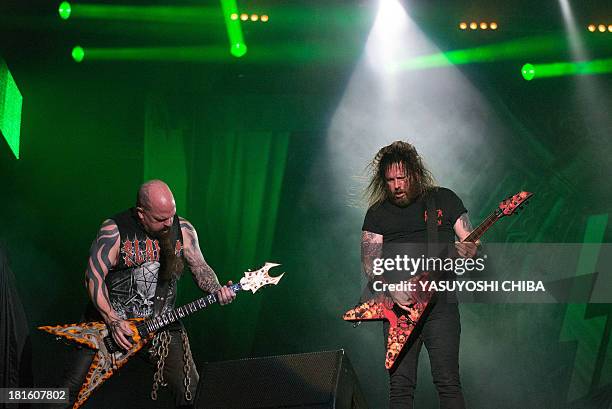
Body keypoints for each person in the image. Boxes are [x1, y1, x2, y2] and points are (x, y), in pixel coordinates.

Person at [60, 179, 235, 408]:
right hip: (110, 327)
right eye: (161, 219)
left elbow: (199, 266)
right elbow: (92, 277)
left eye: (171, 215)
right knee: (67, 391)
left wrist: (216, 289)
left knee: (191, 392)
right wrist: (113, 320)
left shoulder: (183, 229)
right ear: (141, 213)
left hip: (161, 324)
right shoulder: (114, 230)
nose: (168, 223)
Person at [360, 141, 477, 409]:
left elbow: (470, 242)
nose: (397, 185)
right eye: (390, 180)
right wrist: (390, 289)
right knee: (400, 388)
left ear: (415, 173)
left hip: (441, 307)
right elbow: (369, 265)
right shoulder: (377, 213)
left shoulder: (444, 200)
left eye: (402, 178)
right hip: (398, 311)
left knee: (448, 382)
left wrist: (472, 249)